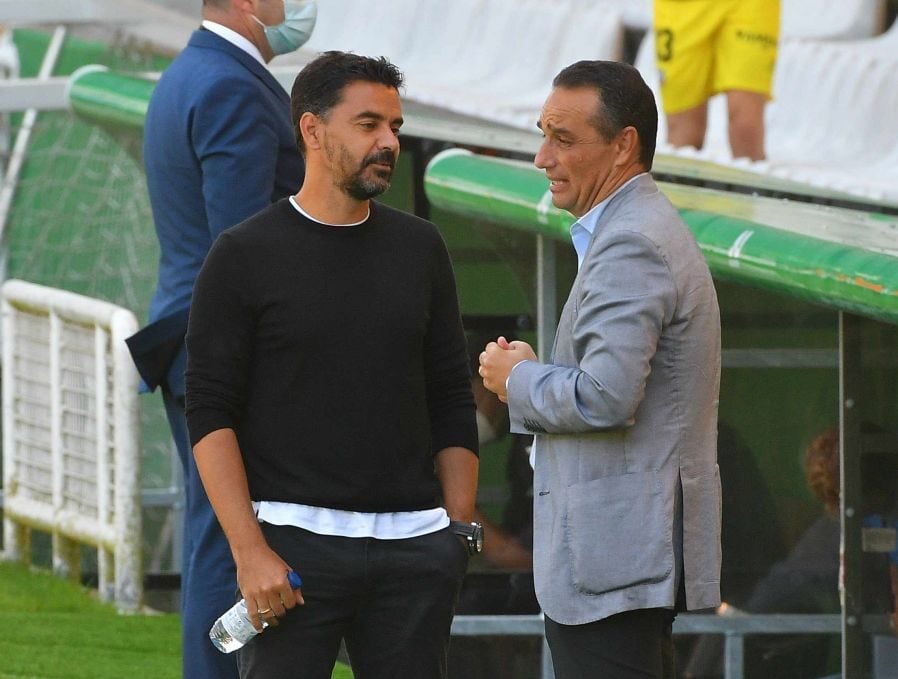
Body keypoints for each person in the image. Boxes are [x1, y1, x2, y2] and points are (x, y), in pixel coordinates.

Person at [185, 51, 480, 678]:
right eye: (368, 124)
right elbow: (210, 411)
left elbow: (451, 395)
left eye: (395, 127)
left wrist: (457, 533)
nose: (388, 143)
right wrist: (248, 552)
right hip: (292, 555)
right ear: (312, 130)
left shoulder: (421, 248)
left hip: (416, 553)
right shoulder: (242, 255)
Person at [479, 60, 722, 679]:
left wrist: (517, 383)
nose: (542, 157)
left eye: (564, 139)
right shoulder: (631, 229)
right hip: (620, 559)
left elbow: (607, 397)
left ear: (624, 146)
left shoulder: (631, 240)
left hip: (616, 561)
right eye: (543, 134)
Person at [127, 2, 313, 677]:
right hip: (222, 351)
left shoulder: (192, 71)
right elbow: (242, 248)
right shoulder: (231, 83)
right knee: (225, 537)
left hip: (190, 339)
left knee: (214, 532)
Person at [653, 0, 780, 160]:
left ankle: (750, 184)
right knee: (684, 136)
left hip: (749, 5)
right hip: (680, 6)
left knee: (746, 126)